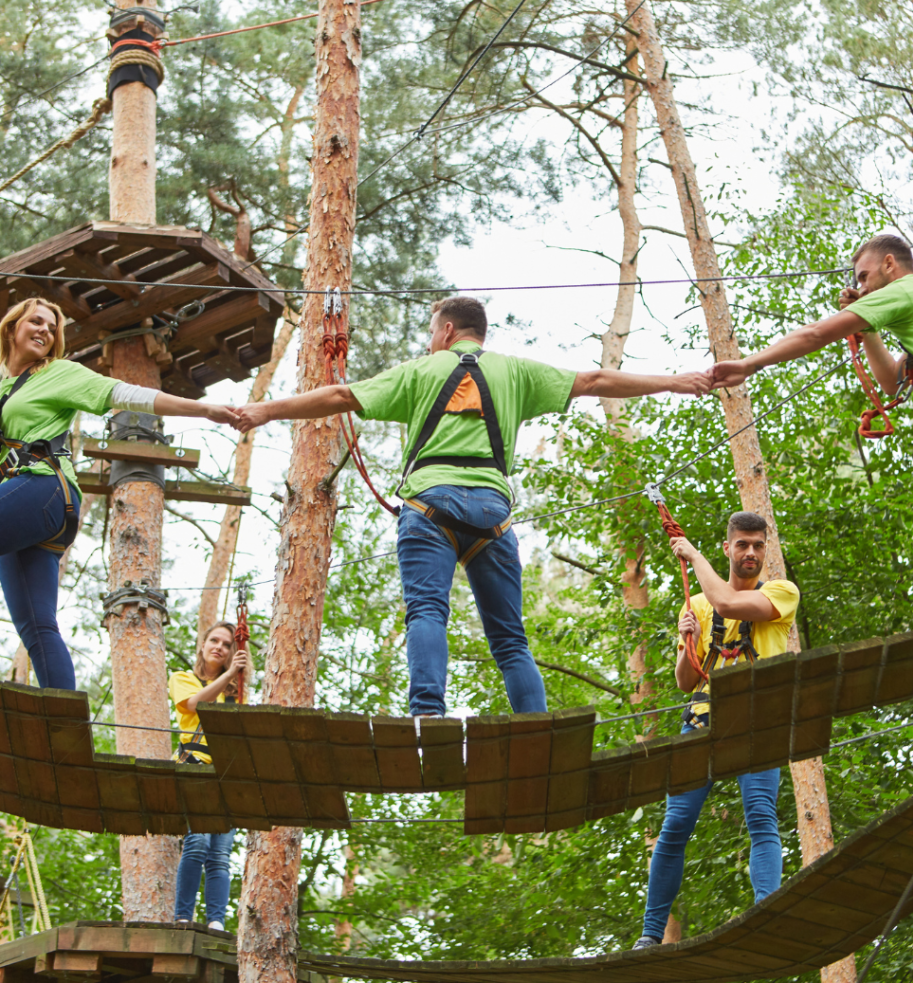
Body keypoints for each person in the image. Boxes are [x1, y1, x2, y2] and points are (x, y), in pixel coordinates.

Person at [233, 294, 711, 716]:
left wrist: (264, 410)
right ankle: (536, 725)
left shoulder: (421, 370)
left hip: (429, 505)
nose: (429, 344)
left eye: (431, 334)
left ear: (446, 330)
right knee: (510, 638)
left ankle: (427, 715)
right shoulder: (516, 371)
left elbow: (340, 394)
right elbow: (594, 379)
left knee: (426, 611)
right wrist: (674, 381)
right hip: (492, 513)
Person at [711, 234, 913, 622]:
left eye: (863, 276)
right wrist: (870, 330)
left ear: (890, 264)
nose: (860, 287)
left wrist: (749, 364)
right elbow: (892, 382)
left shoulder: (905, 288)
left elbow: (815, 333)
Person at [0, 297, 237, 691]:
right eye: (36, 322)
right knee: (37, 625)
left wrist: (202, 410)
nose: (45, 331)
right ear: (12, 328)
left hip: (44, 489)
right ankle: (65, 722)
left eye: (52, 328)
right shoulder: (3, 385)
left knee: (37, 625)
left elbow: (127, 394)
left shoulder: (58, 373)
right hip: (24, 504)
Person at [633, 511, 799, 949]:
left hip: (757, 721)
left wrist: (693, 555)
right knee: (675, 824)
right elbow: (685, 681)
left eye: (758, 545)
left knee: (760, 815)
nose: (750, 552)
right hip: (703, 718)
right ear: (729, 548)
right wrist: (687, 640)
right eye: (742, 544)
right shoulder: (698, 605)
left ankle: (765, 916)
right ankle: (651, 934)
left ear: (765, 550)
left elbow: (728, 604)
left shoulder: (782, 593)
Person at [170, 620, 252, 932]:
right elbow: (194, 704)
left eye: (227, 644)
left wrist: (235, 680)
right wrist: (230, 675)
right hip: (194, 768)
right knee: (197, 842)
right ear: (203, 645)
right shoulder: (183, 679)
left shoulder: (235, 695)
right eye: (214, 641)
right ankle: (183, 917)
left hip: (226, 775)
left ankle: (216, 921)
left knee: (220, 854)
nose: (219, 647)